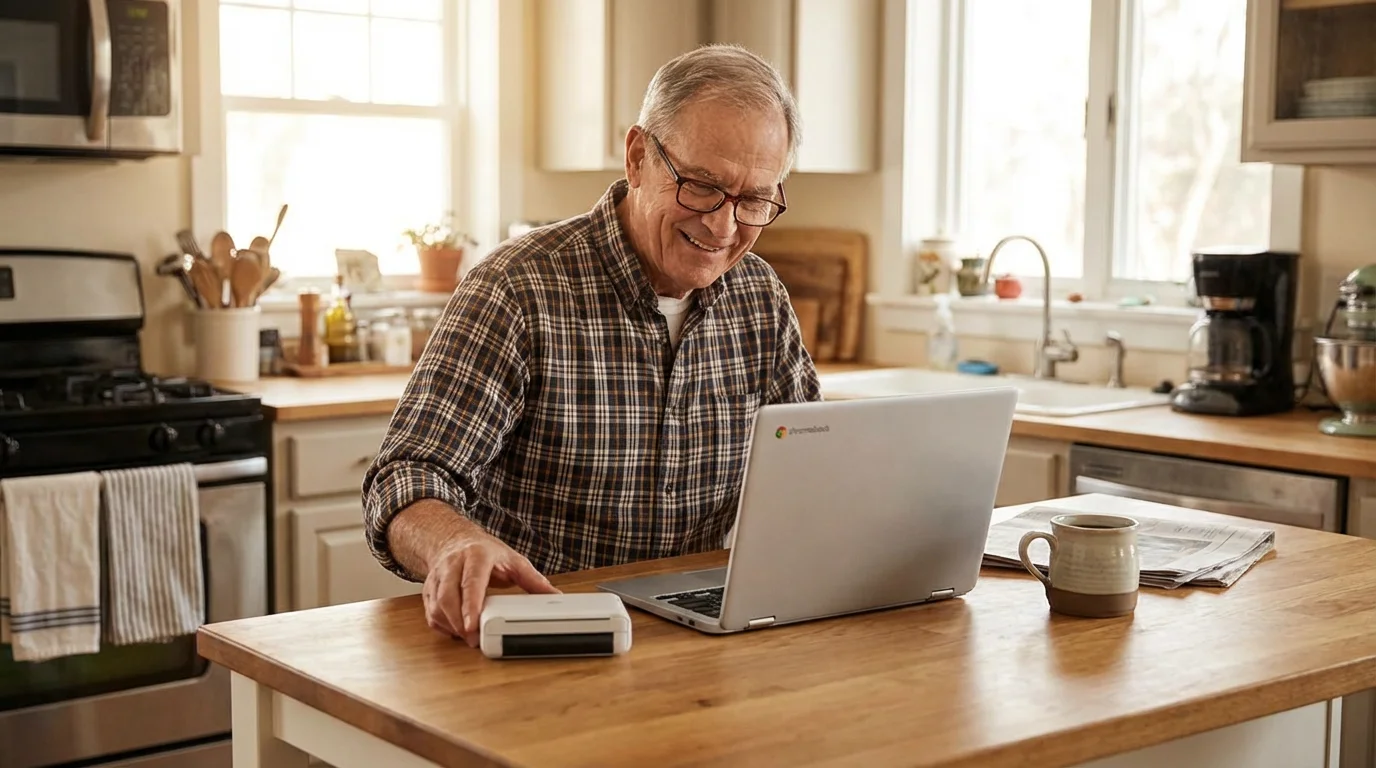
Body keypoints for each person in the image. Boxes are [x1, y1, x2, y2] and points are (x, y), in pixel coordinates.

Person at [362, 43, 821, 646]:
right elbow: (406, 476)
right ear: (637, 158)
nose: (723, 225)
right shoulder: (516, 288)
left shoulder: (759, 299)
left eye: (755, 199)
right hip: (541, 637)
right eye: (702, 186)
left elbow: (808, 474)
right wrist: (455, 541)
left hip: (695, 646)